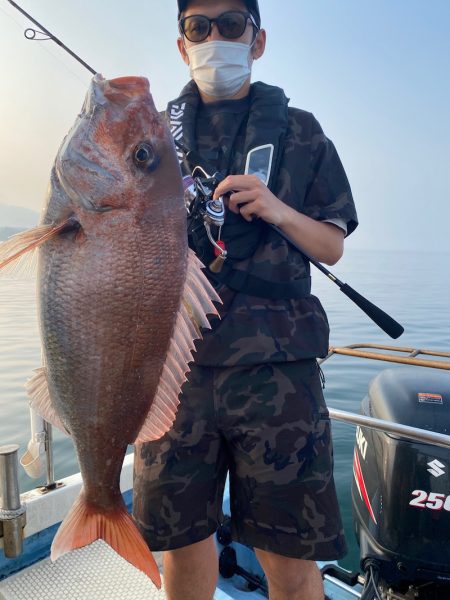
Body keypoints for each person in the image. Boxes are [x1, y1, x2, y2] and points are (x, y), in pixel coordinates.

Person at [133, 1, 358, 599]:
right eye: (197, 27)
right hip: (172, 378)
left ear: (257, 42)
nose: (214, 38)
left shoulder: (302, 132)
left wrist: (279, 210)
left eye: (231, 25)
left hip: (278, 374)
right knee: (180, 552)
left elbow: (332, 246)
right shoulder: (147, 138)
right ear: (182, 45)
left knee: (289, 559)